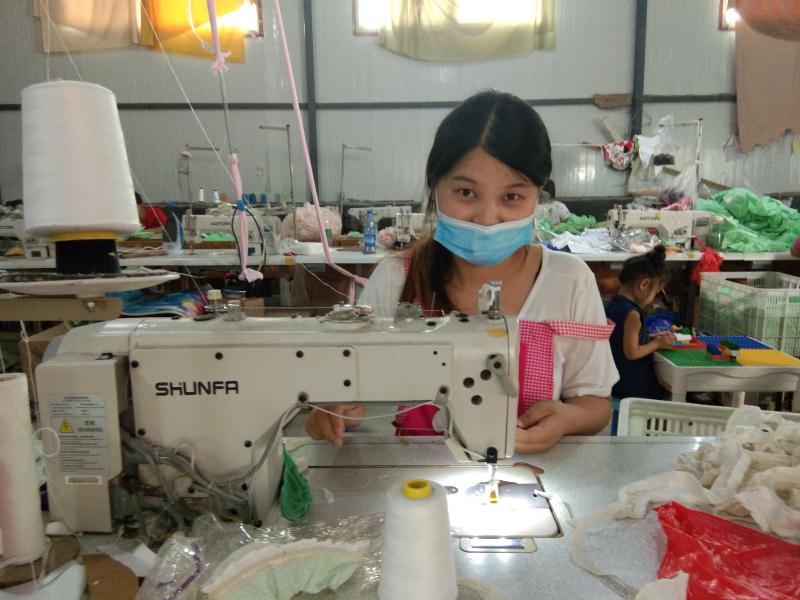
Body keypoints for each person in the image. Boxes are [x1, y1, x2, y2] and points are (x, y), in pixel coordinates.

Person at [305, 90, 618, 453]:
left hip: (531, 474)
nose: (487, 218)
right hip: (417, 479)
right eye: (466, 192)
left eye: (512, 197)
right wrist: (330, 412)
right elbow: (343, 388)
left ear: (539, 196)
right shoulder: (396, 280)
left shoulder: (569, 282)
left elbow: (595, 404)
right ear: (435, 186)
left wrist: (568, 418)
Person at [605, 246, 674, 400]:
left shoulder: (612, 305)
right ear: (643, 285)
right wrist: (657, 344)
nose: (652, 298)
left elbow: (620, 338)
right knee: (667, 393)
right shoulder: (633, 314)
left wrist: (651, 336)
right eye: (655, 293)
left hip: (615, 382)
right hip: (633, 387)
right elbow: (632, 352)